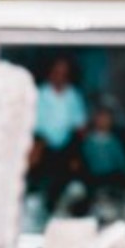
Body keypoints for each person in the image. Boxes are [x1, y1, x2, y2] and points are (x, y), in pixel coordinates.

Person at [32, 56, 88, 210]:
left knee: (73, 167)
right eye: (57, 72)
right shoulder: (39, 94)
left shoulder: (73, 96)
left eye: (64, 73)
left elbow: (80, 126)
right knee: (38, 159)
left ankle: (63, 205)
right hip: (42, 143)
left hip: (66, 145)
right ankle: (37, 200)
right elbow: (33, 125)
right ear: (50, 73)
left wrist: (76, 149)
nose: (60, 76)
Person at [80, 105, 125, 192]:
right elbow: (83, 162)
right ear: (95, 120)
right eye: (100, 118)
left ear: (111, 121)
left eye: (106, 119)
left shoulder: (114, 142)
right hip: (92, 179)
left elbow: (123, 164)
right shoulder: (87, 142)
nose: (103, 121)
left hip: (111, 179)